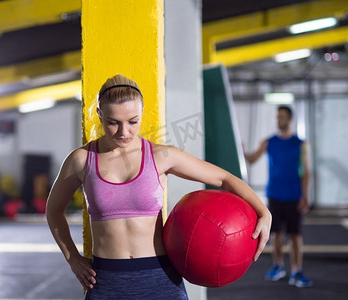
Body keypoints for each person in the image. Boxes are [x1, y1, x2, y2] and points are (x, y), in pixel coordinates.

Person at [46, 74, 272, 299]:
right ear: (99, 114)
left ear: (142, 113)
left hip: (160, 278)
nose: (124, 132)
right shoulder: (82, 160)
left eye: (133, 121)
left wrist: (264, 212)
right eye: (113, 122)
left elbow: (224, 178)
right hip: (106, 281)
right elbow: (53, 211)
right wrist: (73, 259)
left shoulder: (161, 156)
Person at [244, 105, 313, 288]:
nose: (278, 120)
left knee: (296, 236)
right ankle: (278, 266)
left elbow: (307, 172)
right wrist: (241, 150)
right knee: (276, 234)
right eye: (277, 117)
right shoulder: (268, 142)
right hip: (274, 195)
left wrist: (305, 196)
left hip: (294, 196)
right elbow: (251, 159)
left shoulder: (301, 144)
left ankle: (297, 271)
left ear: (289, 119)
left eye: (282, 116)